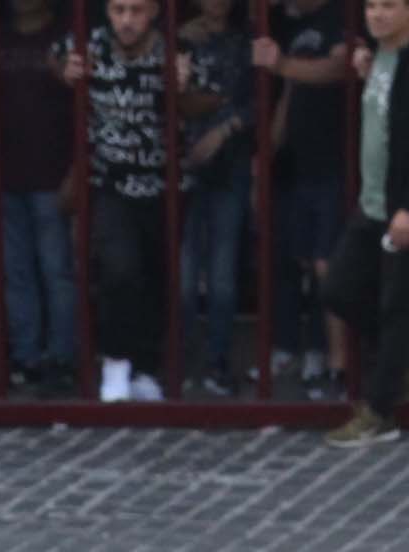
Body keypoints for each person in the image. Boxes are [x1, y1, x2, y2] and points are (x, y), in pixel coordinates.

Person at [319, 0, 409, 446]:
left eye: (388, 6)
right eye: (371, 5)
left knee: (396, 304)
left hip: (406, 208)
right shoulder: (380, 55)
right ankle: (407, 350)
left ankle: (379, 413)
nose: (376, 14)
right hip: (373, 203)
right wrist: (365, 68)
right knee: (338, 288)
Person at [70, 0, 172, 398]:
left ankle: (146, 369)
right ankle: (114, 363)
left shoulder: (173, 50)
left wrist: (181, 86)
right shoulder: (90, 44)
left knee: (156, 277)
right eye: (118, 10)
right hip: (110, 184)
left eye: (136, 10)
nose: (127, 20)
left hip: (163, 187)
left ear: (154, 12)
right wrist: (65, 70)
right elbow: (56, 58)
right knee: (120, 271)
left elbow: (203, 99)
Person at [252, 0, 349, 393]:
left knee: (328, 266)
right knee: (294, 260)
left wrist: (282, 66)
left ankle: (338, 366)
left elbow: (339, 67)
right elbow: (289, 95)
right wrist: (267, 151)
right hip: (296, 163)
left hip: (335, 163)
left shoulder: (343, 16)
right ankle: (299, 351)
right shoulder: (295, 25)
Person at [0, 0, 76, 390]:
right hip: (8, 174)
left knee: (57, 271)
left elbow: (86, 106)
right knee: (18, 273)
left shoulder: (66, 39)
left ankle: (62, 357)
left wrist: (77, 170)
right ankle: (26, 356)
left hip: (53, 174)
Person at [172, 0, 250, 392]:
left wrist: (223, 130)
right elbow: (161, 97)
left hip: (231, 166)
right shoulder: (179, 39)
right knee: (183, 275)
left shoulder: (247, 38)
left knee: (222, 275)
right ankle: (183, 364)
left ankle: (218, 362)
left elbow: (259, 100)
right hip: (182, 165)